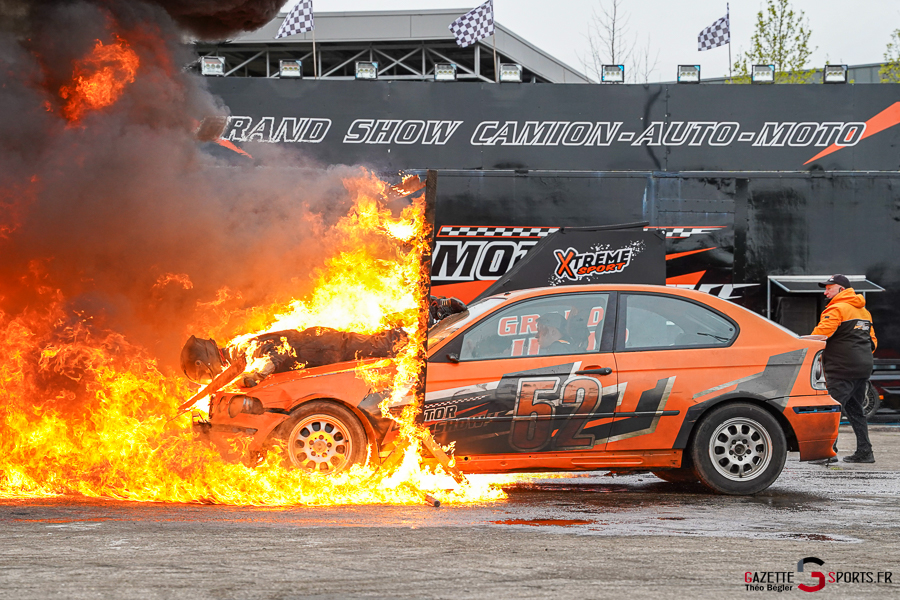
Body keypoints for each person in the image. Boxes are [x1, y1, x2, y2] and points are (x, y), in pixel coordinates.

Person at [180, 326, 407, 387]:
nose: (213, 379)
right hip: (324, 349)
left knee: (386, 345)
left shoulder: (241, 350)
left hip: (328, 346)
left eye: (207, 377)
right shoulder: (236, 355)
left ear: (206, 363)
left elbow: (276, 351)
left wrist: (256, 375)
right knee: (381, 346)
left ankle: (418, 335)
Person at [805, 274, 878, 463]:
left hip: (841, 368)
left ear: (841, 290)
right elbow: (872, 341)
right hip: (863, 367)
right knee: (855, 410)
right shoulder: (864, 312)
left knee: (831, 410)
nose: (825, 292)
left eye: (829, 288)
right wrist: (860, 356)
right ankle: (865, 452)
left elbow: (821, 335)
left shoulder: (836, 309)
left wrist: (800, 345)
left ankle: (827, 453)